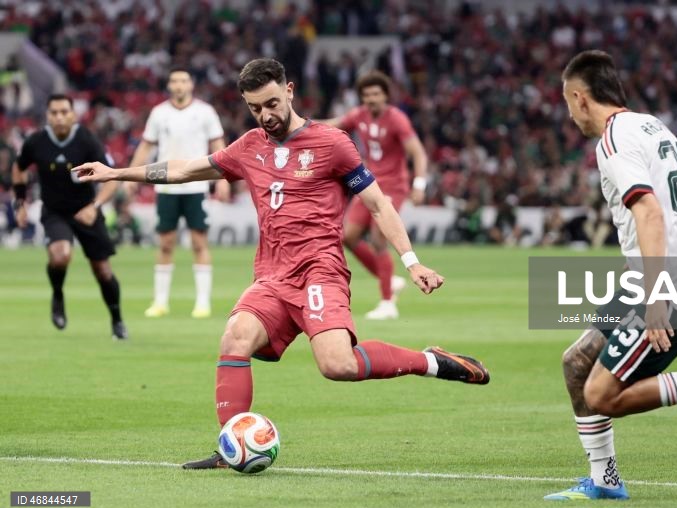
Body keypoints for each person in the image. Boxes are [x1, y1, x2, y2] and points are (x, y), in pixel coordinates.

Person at [73, 58, 490, 470]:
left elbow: (378, 204)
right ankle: (230, 446)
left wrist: (412, 262)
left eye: (272, 103)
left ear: (289, 91)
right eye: (255, 108)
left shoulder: (332, 144)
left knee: (338, 365)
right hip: (272, 276)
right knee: (235, 337)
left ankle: (429, 361)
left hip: (320, 270)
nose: (265, 115)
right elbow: (185, 169)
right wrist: (115, 173)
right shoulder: (249, 146)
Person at [545, 50, 677, 501]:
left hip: (673, 286)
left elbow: (650, 212)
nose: (570, 115)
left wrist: (656, 297)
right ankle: (604, 481)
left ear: (581, 98)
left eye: (567, 103)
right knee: (576, 363)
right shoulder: (652, 126)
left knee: (601, 395)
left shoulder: (612, 141)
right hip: (669, 275)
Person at [11, 94, 127, 339]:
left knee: (103, 271)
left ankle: (117, 320)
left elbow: (112, 177)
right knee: (60, 255)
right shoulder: (36, 142)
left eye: (64, 112)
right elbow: (18, 168)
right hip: (55, 211)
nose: (59, 117)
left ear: (73, 114)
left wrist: (95, 206)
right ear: (48, 115)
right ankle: (57, 295)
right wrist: (20, 202)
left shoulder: (87, 140)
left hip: (86, 210)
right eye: (54, 112)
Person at [322, 71, 428, 320]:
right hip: (369, 183)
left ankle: (388, 303)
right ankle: (389, 279)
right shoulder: (359, 115)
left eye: (376, 94)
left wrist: (420, 184)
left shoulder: (397, 119)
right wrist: (298, 124)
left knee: (380, 238)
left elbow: (418, 153)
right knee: (347, 236)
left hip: (393, 186)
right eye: (367, 94)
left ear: (386, 95)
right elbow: (331, 125)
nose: (371, 98)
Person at [129, 67, 227, 319]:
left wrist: (225, 178)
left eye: (184, 80)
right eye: (175, 81)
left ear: (191, 84)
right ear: (169, 85)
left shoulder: (205, 112)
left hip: (196, 185)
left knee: (199, 242)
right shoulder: (159, 113)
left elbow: (218, 146)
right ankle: (160, 302)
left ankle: (202, 302)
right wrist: (131, 175)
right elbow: (146, 146)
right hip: (166, 186)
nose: (179, 85)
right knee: (165, 243)